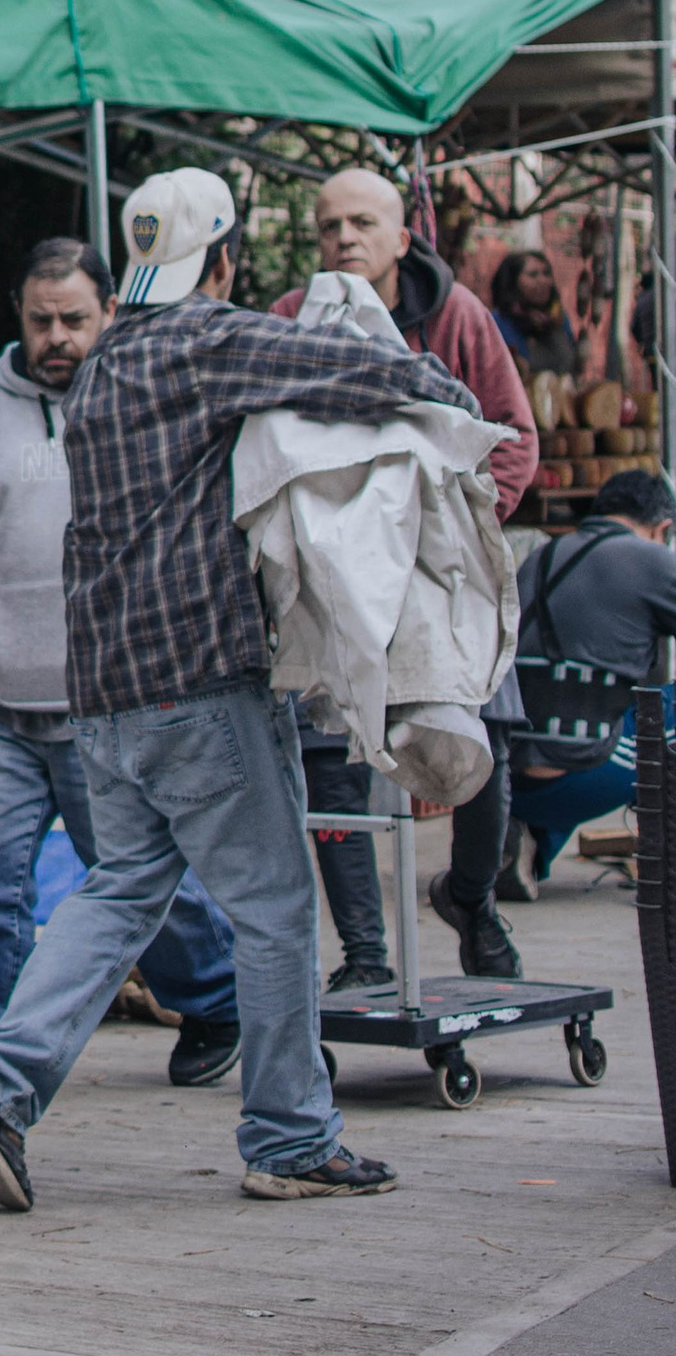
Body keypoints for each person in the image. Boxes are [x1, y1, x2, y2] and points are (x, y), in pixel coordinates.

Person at [0, 165, 472, 1220]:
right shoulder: (201, 340)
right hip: (196, 684)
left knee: (123, 885)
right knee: (272, 910)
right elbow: (346, 369)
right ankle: (290, 1136)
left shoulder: (103, 366)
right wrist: (450, 403)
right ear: (221, 259)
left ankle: (0, 1081)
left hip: (102, 695)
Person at [0, 234, 240, 1084]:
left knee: (147, 878)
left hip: (114, 702)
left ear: (111, 311)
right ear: (19, 317)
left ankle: (216, 1004)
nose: (57, 338)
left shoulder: (145, 399)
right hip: (3, 700)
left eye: (75, 319)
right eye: (41, 321)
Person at [279, 169, 536, 985]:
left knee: (486, 742)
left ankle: (472, 898)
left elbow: (515, 437)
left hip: (440, 575)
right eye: (328, 227)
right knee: (331, 761)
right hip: (333, 583)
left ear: (402, 238)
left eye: (360, 223)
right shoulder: (290, 321)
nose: (343, 239)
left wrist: (452, 530)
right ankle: (363, 955)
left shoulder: (457, 315)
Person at [507, 465, 676, 881]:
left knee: (572, 702)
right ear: (663, 527)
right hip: (579, 774)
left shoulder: (540, 556)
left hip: (502, 782)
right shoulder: (650, 560)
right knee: (622, 721)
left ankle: (525, 845)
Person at [491, 246, 580, 385]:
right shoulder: (497, 322)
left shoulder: (559, 320)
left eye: (546, 273)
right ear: (513, 282)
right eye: (533, 275)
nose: (543, 281)